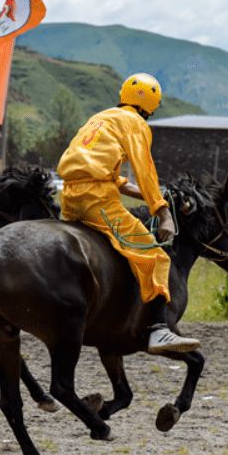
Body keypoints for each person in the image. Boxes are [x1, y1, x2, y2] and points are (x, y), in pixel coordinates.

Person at [57, 73, 200, 354]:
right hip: (96, 199)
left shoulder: (101, 119)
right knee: (154, 254)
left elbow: (116, 179)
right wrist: (162, 211)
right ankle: (159, 331)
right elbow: (144, 170)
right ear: (151, 105)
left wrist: (153, 194)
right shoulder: (136, 123)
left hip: (70, 197)